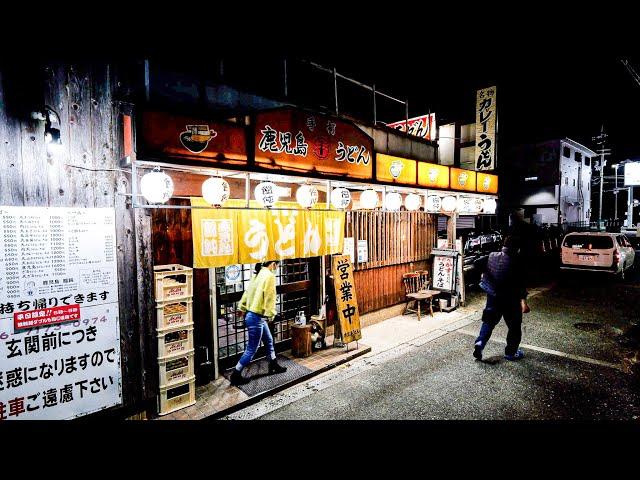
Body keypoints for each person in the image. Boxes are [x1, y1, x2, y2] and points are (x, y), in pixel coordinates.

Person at [473, 235, 530, 361]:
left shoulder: (492, 255)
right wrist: (524, 301)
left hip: (493, 297)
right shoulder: (518, 262)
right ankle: (511, 352)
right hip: (511, 300)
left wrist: (484, 273)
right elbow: (521, 284)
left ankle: (480, 343)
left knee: (488, 321)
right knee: (514, 327)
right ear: (517, 249)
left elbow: (476, 263)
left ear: (503, 246)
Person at [230, 261, 287, 386]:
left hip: (253, 315)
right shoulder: (269, 276)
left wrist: (242, 307)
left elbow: (247, 292)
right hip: (256, 317)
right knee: (252, 349)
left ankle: (273, 363)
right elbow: (270, 296)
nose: (276, 268)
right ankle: (236, 373)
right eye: (277, 265)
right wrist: (272, 314)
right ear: (273, 264)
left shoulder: (258, 274)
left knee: (269, 340)